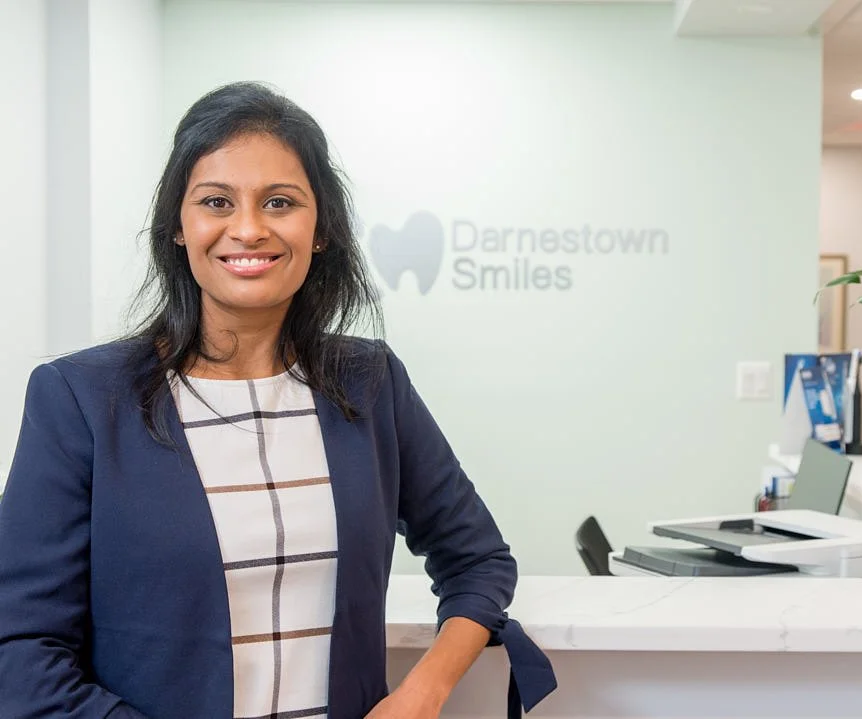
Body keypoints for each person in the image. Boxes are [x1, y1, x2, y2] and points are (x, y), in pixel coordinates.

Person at [0, 81, 555, 719]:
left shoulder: (369, 382)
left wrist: (420, 693)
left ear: (320, 229)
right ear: (179, 227)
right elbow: (21, 650)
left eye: (280, 202)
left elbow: (478, 560)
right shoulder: (81, 399)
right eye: (216, 201)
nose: (248, 229)